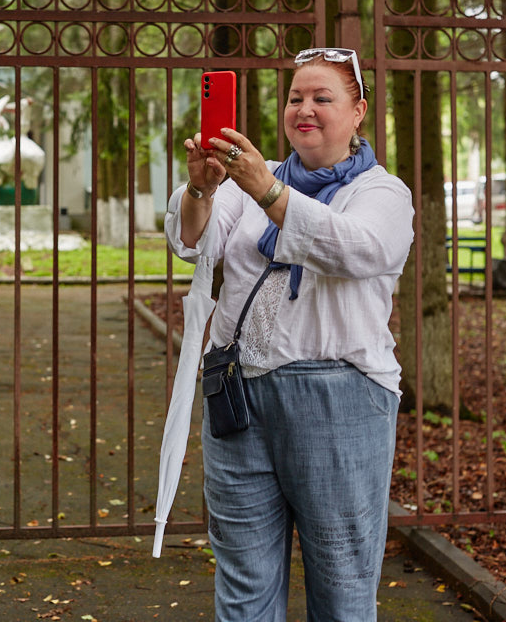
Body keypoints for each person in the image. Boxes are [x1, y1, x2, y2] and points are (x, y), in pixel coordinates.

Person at [164, 48, 414, 621]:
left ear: (358, 112)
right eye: (296, 97)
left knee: (341, 590)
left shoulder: (382, 193)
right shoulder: (251, 178)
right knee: (244, 585)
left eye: (322, 98)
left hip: (341, 399)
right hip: (239, 395)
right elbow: (192, 243)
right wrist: (202, 188)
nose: (305, 108)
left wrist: (268, 194)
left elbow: (358, 248)